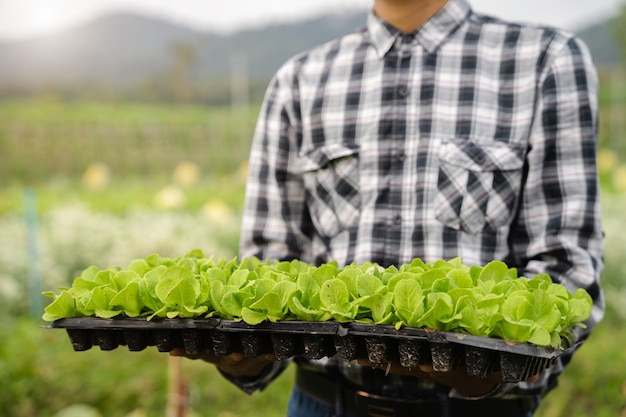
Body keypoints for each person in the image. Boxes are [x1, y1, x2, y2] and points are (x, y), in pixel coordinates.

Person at [173, 0, 605, 415]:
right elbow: (268, 269)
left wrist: (488, 367)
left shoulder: (545, 60)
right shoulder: (300, 80)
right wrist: (244, 351)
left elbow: (567, 270)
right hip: (325, 404)